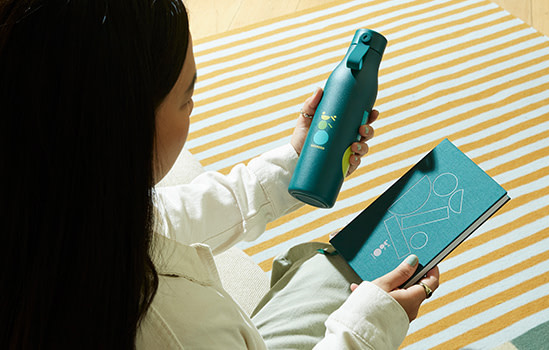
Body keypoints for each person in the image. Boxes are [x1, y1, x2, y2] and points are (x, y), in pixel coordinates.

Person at [0, 0, 440, 349]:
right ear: (124, 131)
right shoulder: (174, 327)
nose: (192, 107)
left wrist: (292, 161)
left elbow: (167, 217)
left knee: (332, 270)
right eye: (186, 99)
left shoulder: (50, 199)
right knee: (356, 286)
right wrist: (366, 331)